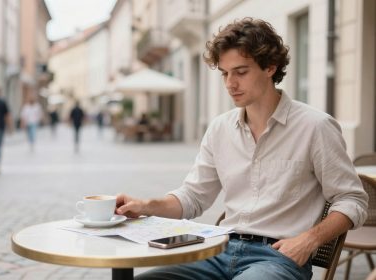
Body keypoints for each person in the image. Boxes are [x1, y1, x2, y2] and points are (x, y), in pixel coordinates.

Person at [115, 18, 368, 280]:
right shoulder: (220, 129)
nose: (230, 84)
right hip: (217, 250)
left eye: (241, 72)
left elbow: (353, 200)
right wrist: (145, 205)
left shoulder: (316, 126)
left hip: (278, 258)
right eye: (225, 73)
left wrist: (308, 240)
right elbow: (193, 197)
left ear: (270, 67)